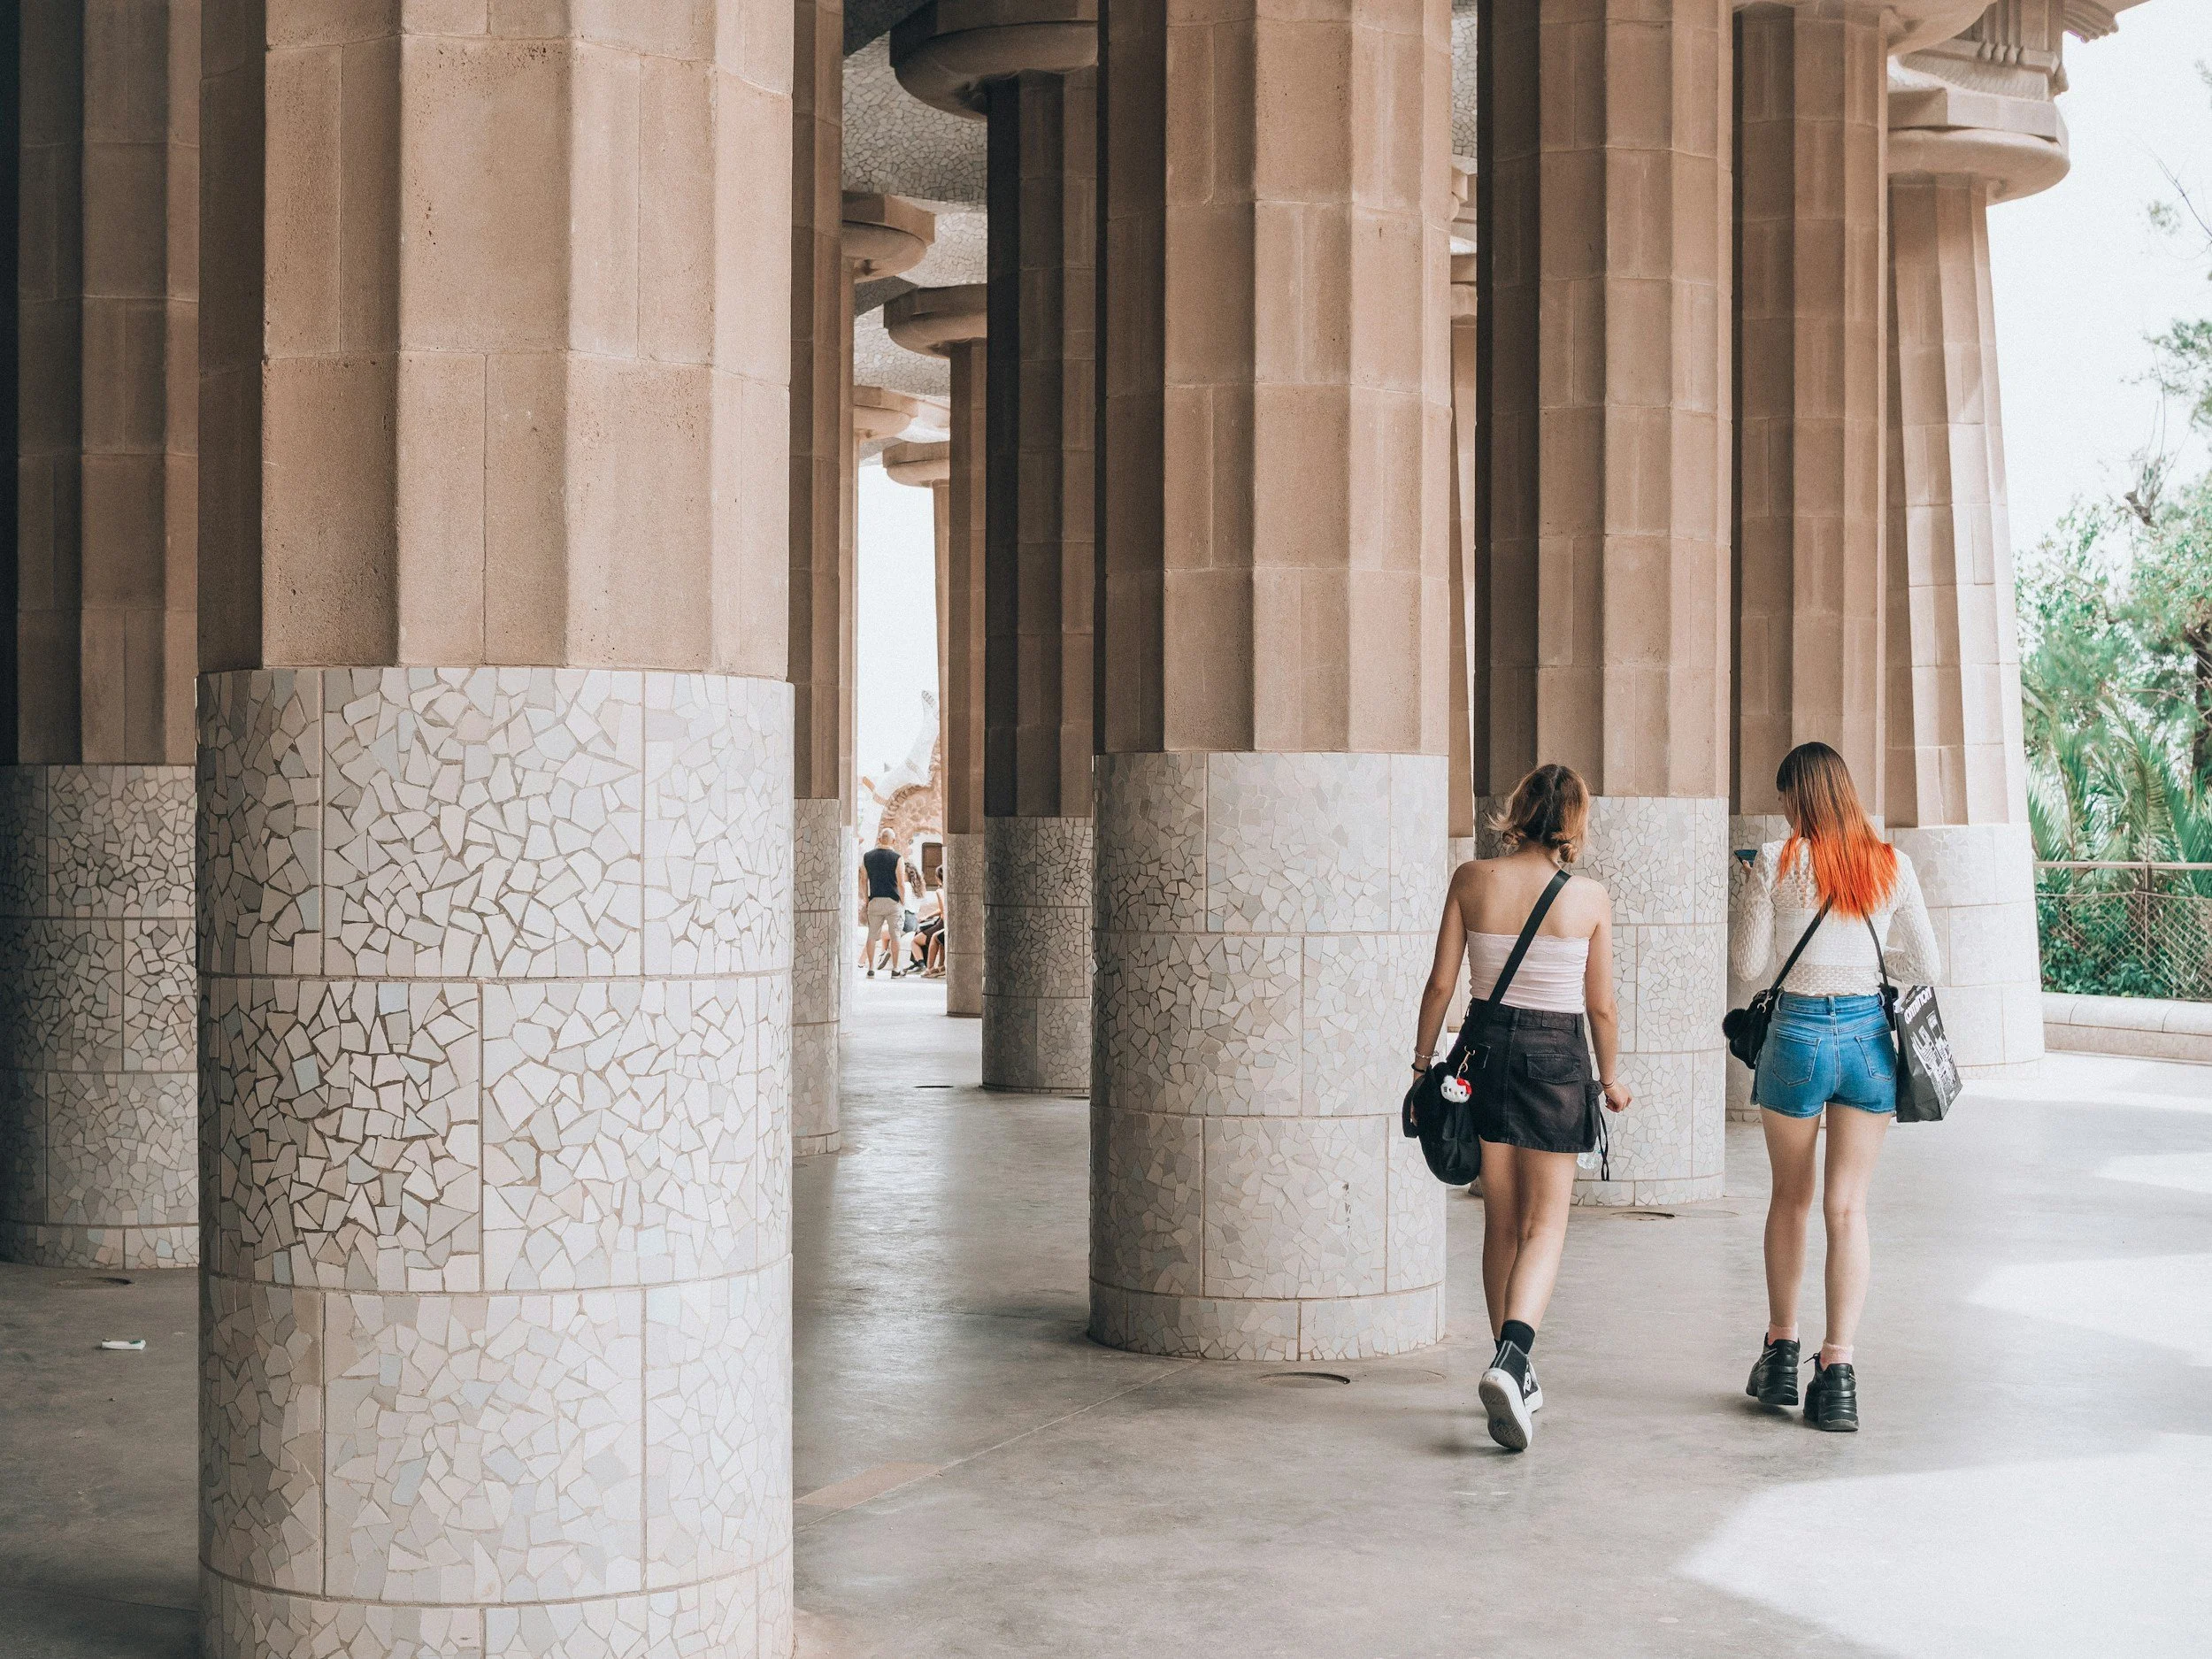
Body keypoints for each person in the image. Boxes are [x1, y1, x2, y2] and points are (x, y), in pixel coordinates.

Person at [1413, 764, 1632, 1453]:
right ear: (1573, 820)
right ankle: (1512, 1360)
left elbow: (1442, 983)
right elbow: (1599, 1004)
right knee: (1546, 1226)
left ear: (1518, 809)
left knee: (1501, 1221)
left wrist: (1422, 1068)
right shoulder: (1589, 897)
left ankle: (1512, 1362)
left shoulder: (1472, 879)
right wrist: (1612, 1078)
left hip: (1483, 1054)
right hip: (1556, 1058)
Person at [1730, 741, 1940, 1432]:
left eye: (1787, 797)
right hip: (1867, 1044)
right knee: (1847, 1209)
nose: (1785, 809)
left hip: (1795, 1038)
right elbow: (1926, 962)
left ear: (1800, 797)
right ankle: (1839, 1374)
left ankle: (1782, 1351)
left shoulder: (1776, 859)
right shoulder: (1891, 864)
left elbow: (1748, 962)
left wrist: (1753, 887)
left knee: (1791, 1199)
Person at [858, 830, 910, 979]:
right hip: (893, 901)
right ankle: (895, 968)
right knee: (895, 936)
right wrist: (902, 900)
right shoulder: (897, 858)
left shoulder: (867, 857)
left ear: (880, 839)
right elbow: (901, 882)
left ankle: (871, 967)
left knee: (872, 935)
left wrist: (867, 899)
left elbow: (863, 879)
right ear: (893, 841)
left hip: (875, 900)